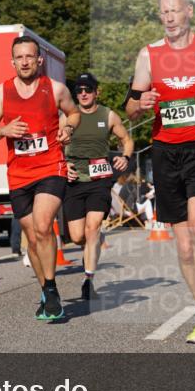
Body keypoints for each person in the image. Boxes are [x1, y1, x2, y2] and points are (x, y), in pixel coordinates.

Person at [126, 0, 195, 350]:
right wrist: (141, 102)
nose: (170, 17)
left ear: (189, 12)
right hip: (166, 150)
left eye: (175, 11)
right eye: (164, 12)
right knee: (184, 245)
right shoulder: (149, 55)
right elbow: (130, 106)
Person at [0, 35, 80, 320]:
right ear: (12, 61)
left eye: (30, 57)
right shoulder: (2, 93)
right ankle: (46, 288)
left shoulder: (56, 89)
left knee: (42, 226)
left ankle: (50, 291)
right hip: (18, 172)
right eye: (19, 57)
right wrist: (4, 131)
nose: (25, 62)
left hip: (51, 165)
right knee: (32, 237)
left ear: (39, 60)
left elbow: (73, 113)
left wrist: (69, 129)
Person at [64, 73, 134, 300]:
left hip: (99, 180)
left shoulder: (108, 115)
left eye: (88, 89)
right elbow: (54, 144)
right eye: (79, 90)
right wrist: (63, 164)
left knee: (92, 228)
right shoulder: (68, 116)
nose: (83, 93)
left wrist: (126, 156)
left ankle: (88, 279)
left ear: (96, 92)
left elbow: (127, 140)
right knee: (77, 236)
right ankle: (91, 246)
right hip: (74, 180)